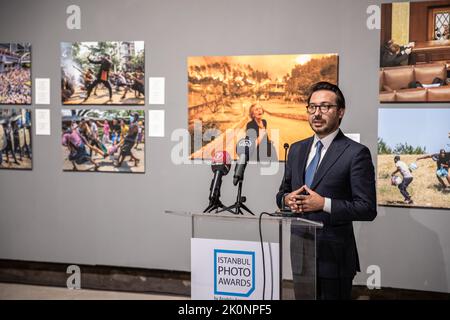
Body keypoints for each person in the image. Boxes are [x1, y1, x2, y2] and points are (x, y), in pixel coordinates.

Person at [276, 82, 377, 300]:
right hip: (301, 255)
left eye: (325, 107)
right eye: (312, 107)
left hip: (335, 260)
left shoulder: (356, 153)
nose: (317, 113)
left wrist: (324, 204)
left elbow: (367, 209)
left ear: (340, 112)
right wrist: (286, 199)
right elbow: (282, 192)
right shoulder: (296, 149)